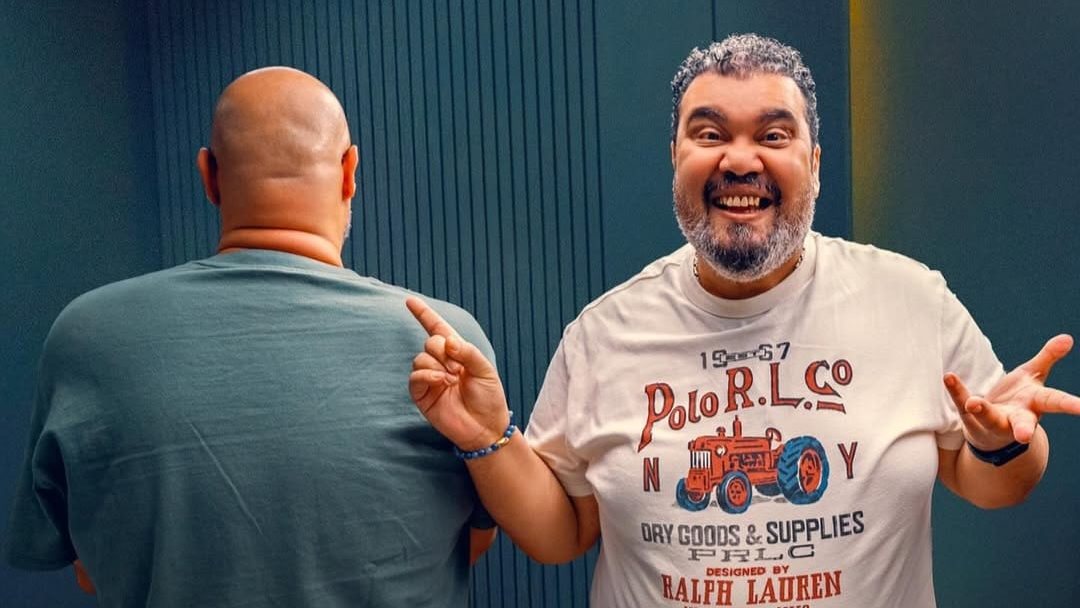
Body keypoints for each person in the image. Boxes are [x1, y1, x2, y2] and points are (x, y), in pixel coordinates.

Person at [404, 33, 1080, 607]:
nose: (739, 159)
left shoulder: (911, 300)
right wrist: (488, 437)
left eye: (773, 135)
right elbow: (562, 535)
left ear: (814, 164)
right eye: (709, 134)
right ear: (676, 157)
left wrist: (1004, 444)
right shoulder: (602, 333)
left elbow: (997, 485)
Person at [4, 67, 496, 607]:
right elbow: (471, 542)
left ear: (209, 175)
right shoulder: (447, 343)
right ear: (349, 171)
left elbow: (91, 566)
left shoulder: (84, 336)